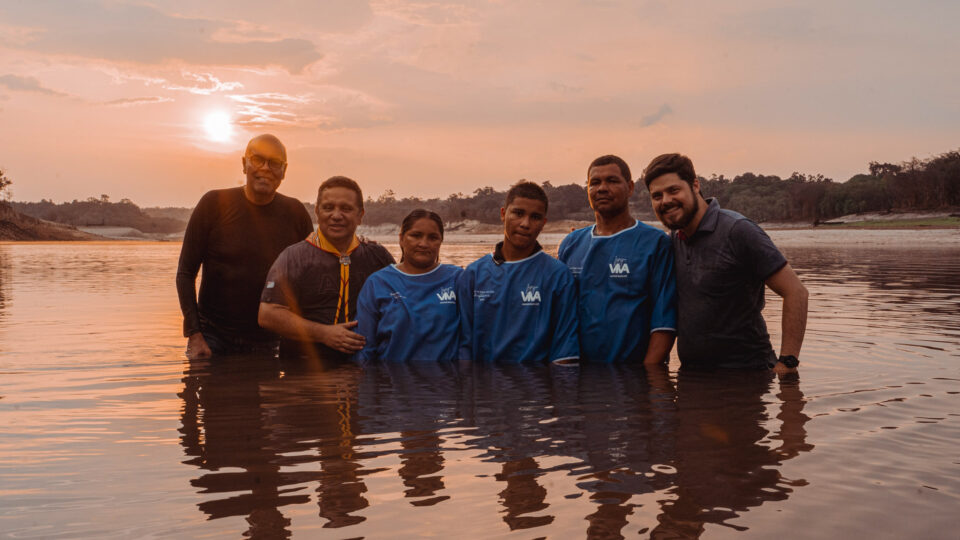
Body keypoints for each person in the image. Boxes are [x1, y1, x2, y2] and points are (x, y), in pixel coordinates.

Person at [642, 153, 809, 374]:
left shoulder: (738, 230)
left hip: (748, 376)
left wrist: (787, 362)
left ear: (695, 185)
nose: (665, 201)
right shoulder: (673, 240)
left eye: (674, 190)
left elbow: (796, 292)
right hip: (692, 378)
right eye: (657, 195)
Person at [176, 134, 314, 358]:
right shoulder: (214, 204)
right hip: (213, 338)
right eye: (258, 159)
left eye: (275, 163)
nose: (266, 168)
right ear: (244, 164)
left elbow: (311, 275)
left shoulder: (295, 213)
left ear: (284, 171)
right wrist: (194, 335)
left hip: (273, 341)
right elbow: (185, 273)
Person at [258, 176, 395, 361]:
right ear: (316, 212)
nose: (336, 216)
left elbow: (401, 304)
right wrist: (324, 334)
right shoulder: (293, 257)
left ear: (360, 215)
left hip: (363, 369)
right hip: (303, 370)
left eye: (346, 209)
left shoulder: (377, 256)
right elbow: (268, 315)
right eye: (328, 208)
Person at [557, 155, 677, 364]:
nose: (602, 188)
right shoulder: (571, 243)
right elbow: (560, 316)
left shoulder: (655, 243)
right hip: (580, 379)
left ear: (630, 188)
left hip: (633, 376)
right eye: (595, 183)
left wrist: (650, 381)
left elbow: (664, 322)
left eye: (612, 181)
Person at [456, 181, 579, 363]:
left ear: (543, 223)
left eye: (535, 217)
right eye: (518, 213)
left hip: (537, 387)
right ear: (503, 214)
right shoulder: (474, 274)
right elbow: (464, 346)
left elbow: (565, 354)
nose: (525, 224)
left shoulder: (558, 275)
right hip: (484, 387)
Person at [354, 209, 462, 362]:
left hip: (445, 381)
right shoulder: (378, 283)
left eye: (433, 238)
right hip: (392, 381)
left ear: (441, 241)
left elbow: (473, 338)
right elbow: (365, 348)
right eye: (416, 235)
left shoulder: (457, 278)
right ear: (401, 239)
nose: (424, 244)